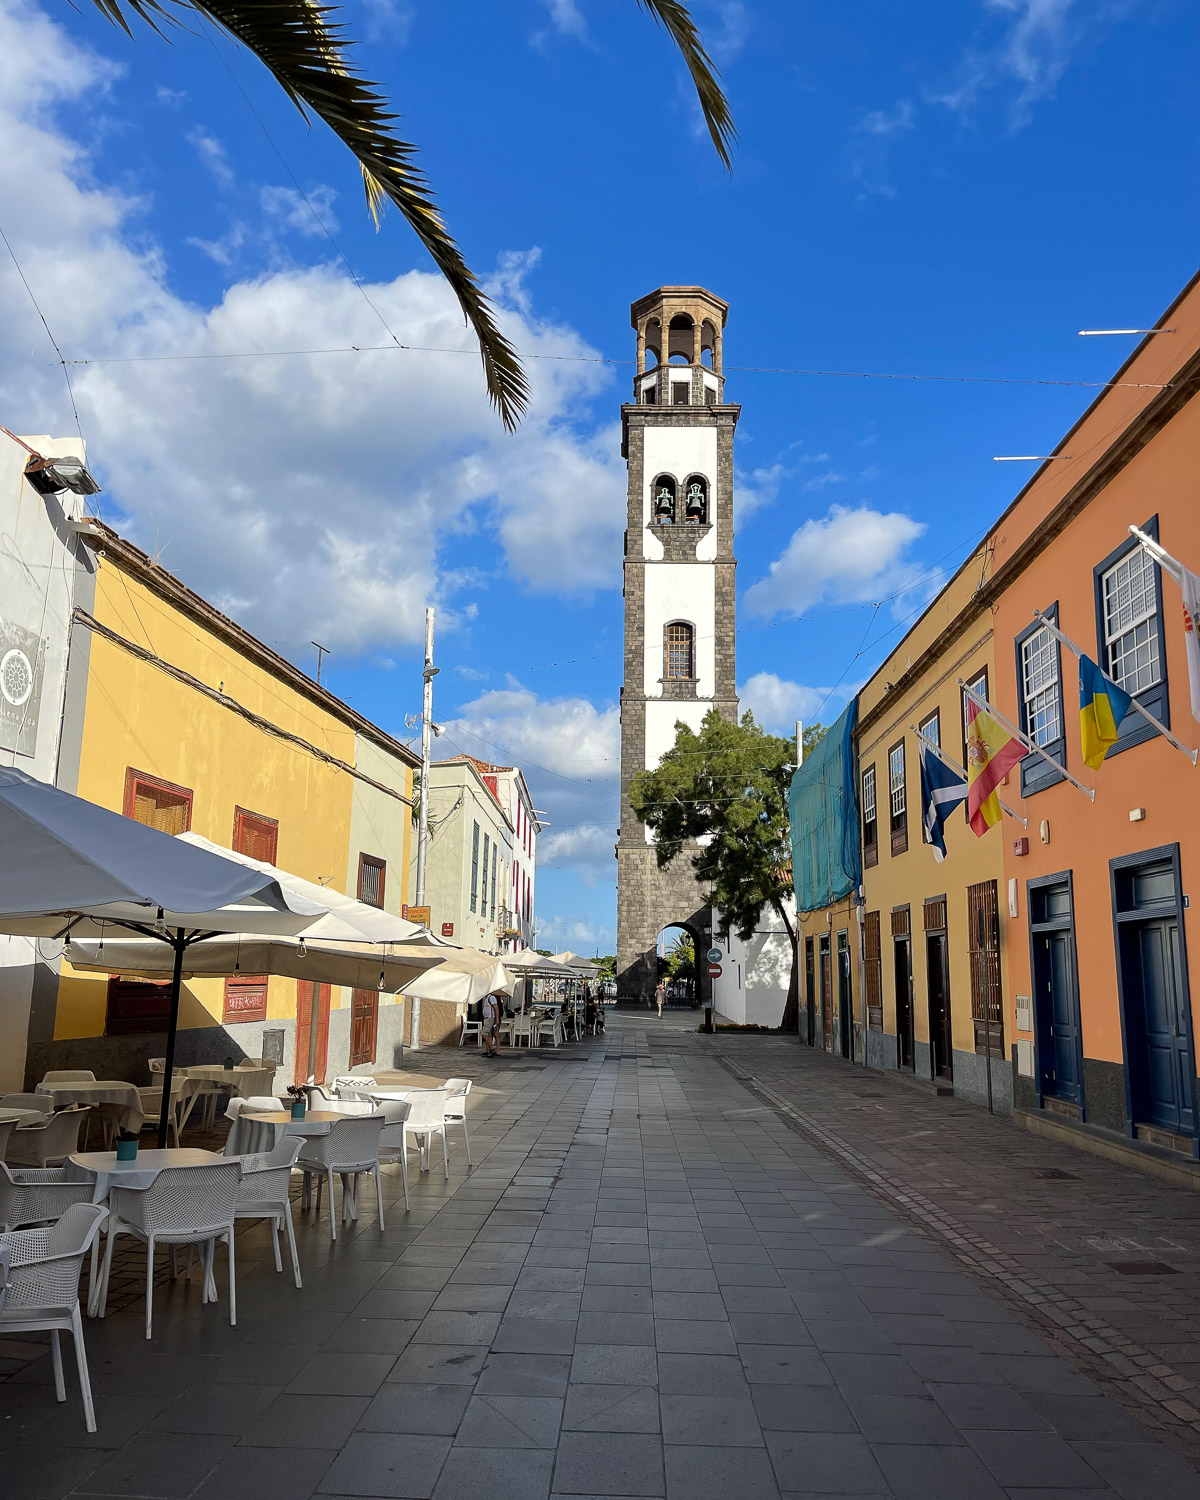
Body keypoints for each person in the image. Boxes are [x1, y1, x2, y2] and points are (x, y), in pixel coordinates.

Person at [481, 991, 502, 1057]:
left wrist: (497, 1019)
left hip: (490, 1018)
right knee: (488, 1035)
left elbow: (496, 1009)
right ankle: (489, 1050)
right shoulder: (486, 998)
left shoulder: (491, 997)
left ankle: (492, 1048)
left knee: (483, 1033)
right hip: (487, 1018)